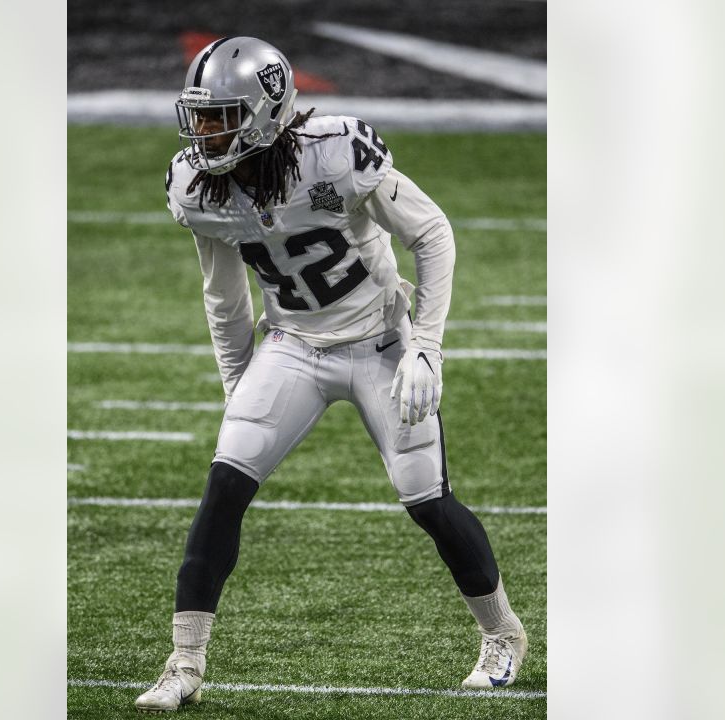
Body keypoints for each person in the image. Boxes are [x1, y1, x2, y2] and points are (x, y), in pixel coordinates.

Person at [134, 36, 527, 712]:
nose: (204, 131)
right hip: (292, 344)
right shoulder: (196, 185)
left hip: (380, 341)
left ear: (266, 111)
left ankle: (503, 635)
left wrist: (425, 346)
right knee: (225, 483)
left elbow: (431, 233)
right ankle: (185, 662)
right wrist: (238, 385)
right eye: (199, 115)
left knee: (425, 499)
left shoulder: (337, 149)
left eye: (220, 115)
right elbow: (225, 296)